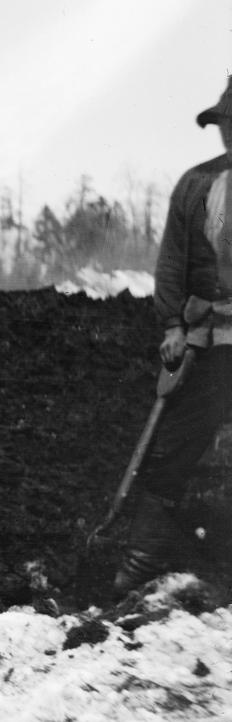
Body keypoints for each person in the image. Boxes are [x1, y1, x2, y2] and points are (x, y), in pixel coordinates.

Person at [114, 77, 232, 596]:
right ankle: (141, 560)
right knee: (176, 443)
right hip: (211, 339)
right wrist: (173, 326)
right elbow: (172, 264)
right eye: (227, 125)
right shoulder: (197, 185)